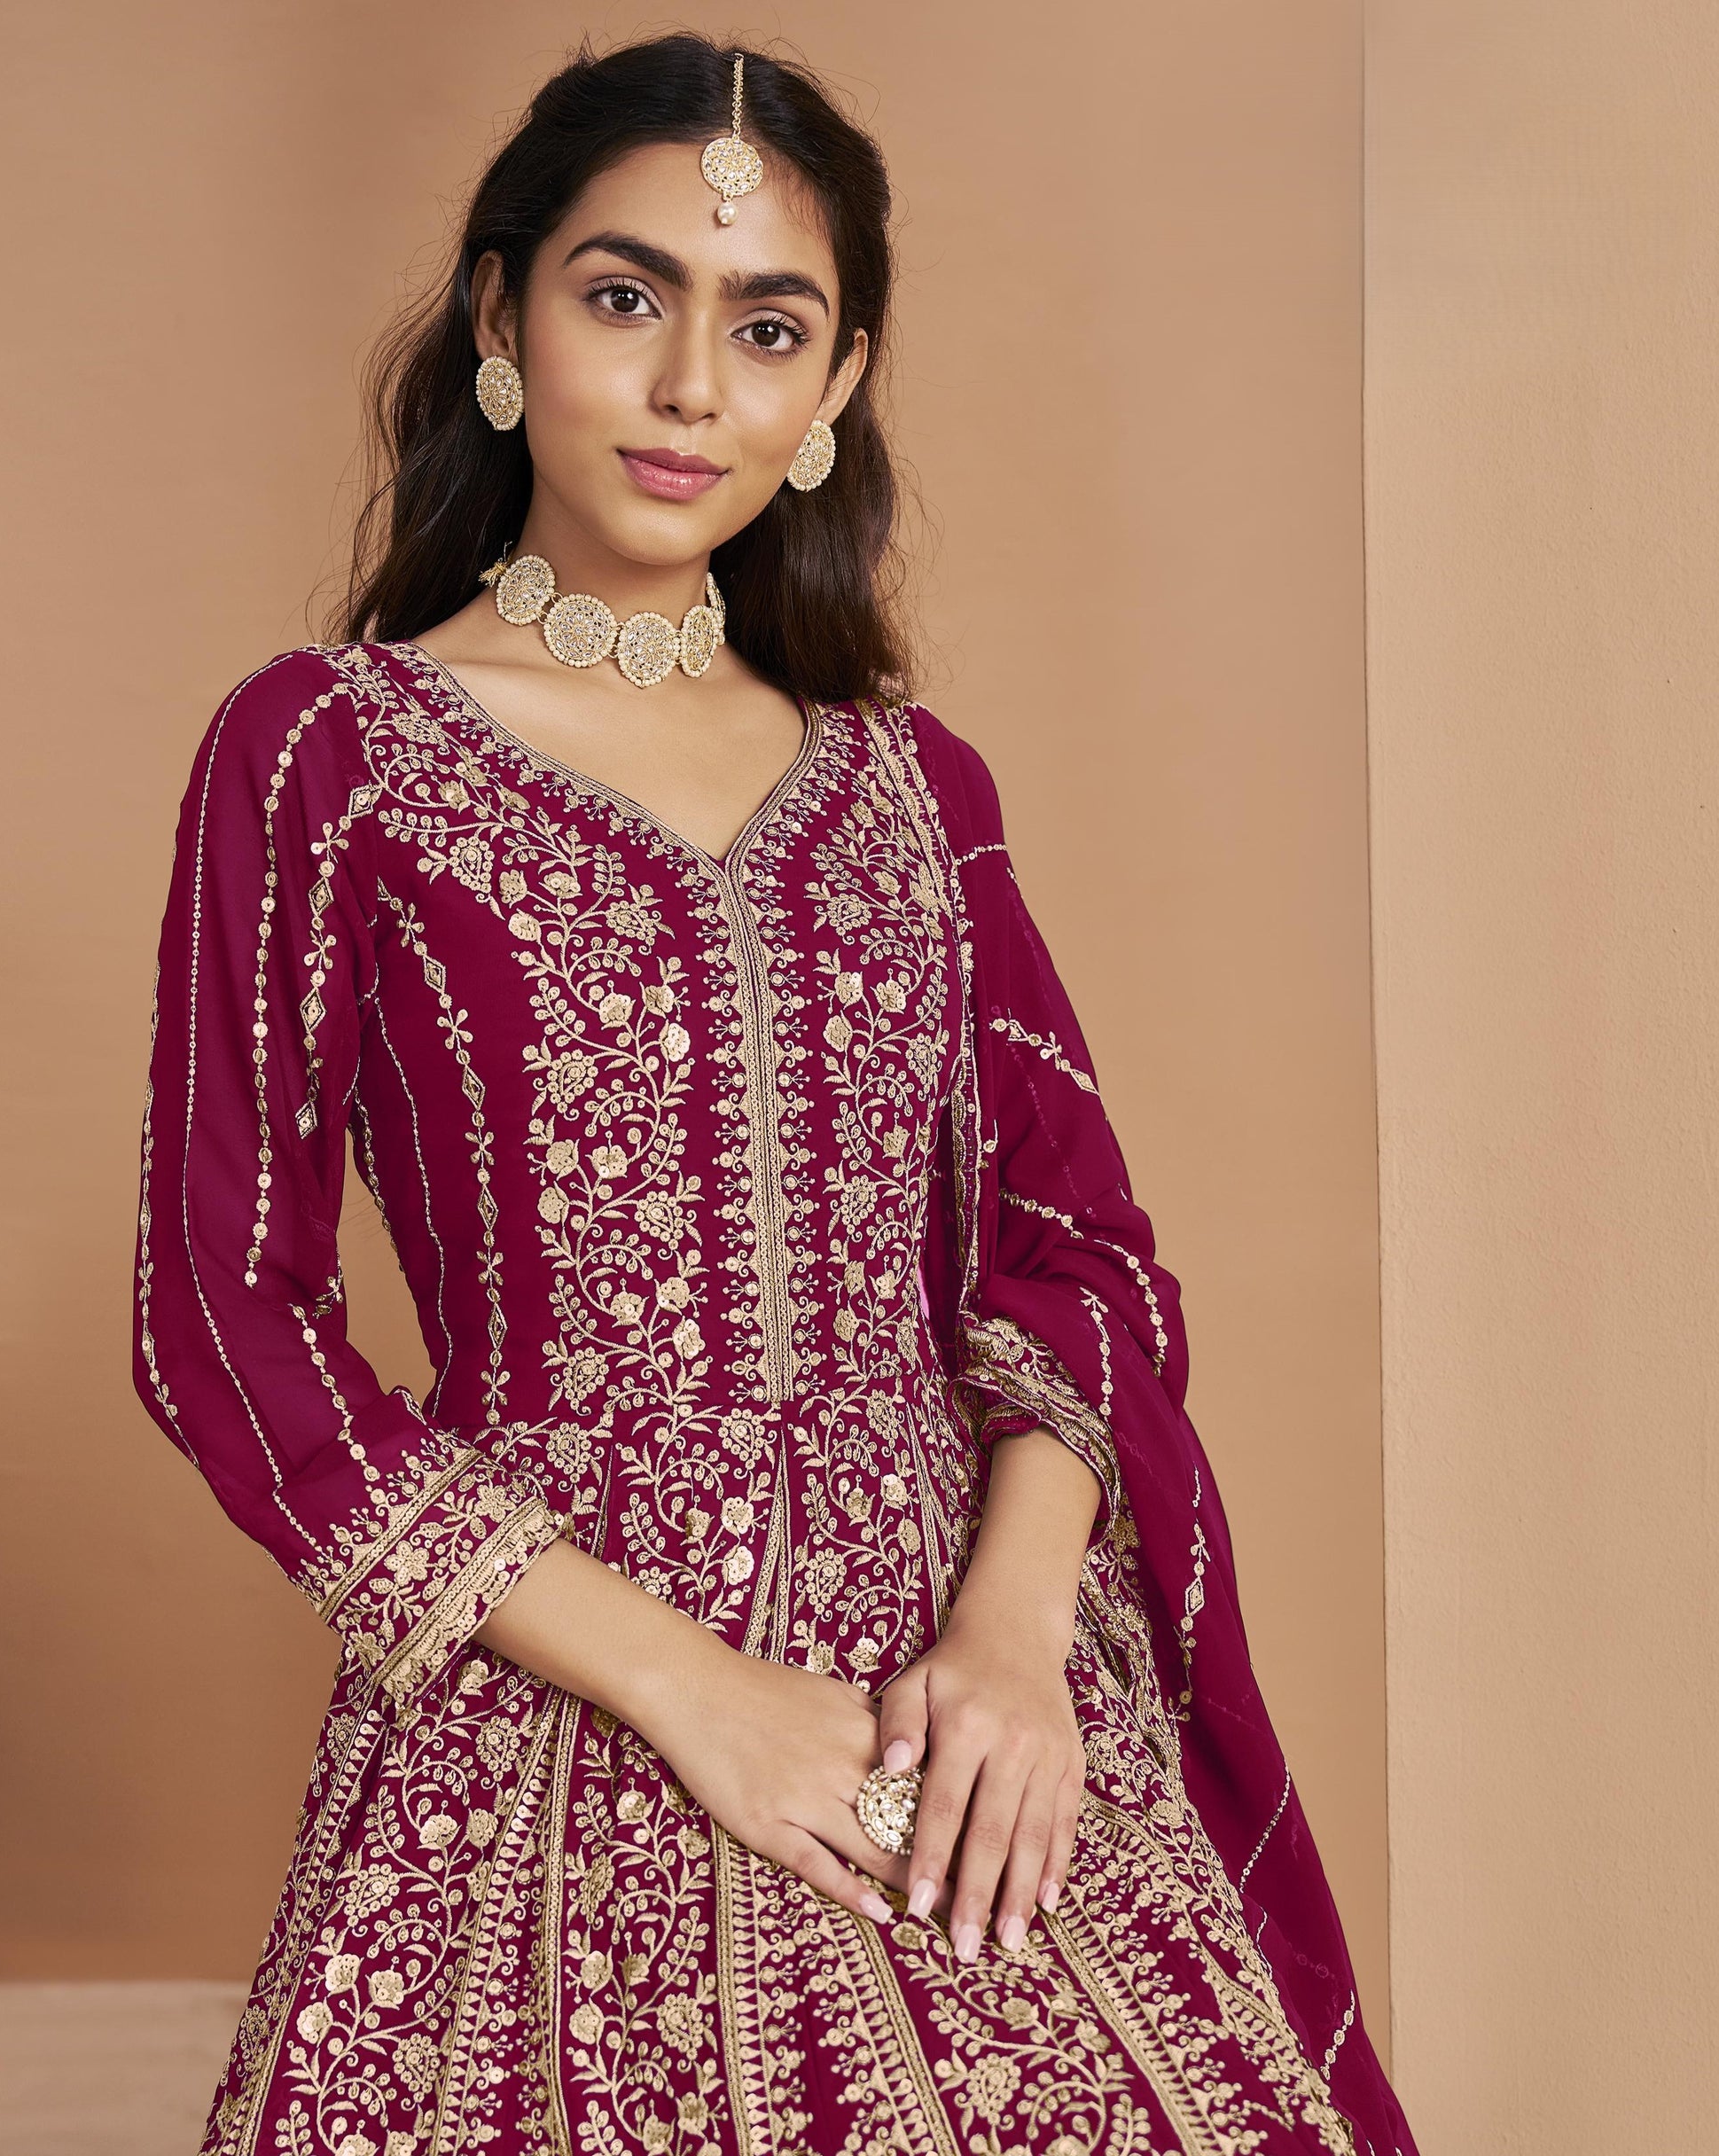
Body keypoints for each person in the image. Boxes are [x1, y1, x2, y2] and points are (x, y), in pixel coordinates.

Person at [132, 33, 1417, 2156]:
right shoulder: (325, 753)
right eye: (623, 295)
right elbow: (226, 1330)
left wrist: (1011, 1639)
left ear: (832, 395)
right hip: (551, 1684)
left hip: (961, 1702)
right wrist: (698, 1692)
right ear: (498, 322)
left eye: (768, 327)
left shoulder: (913, 791)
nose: (688, 385)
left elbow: (1073, 1252)